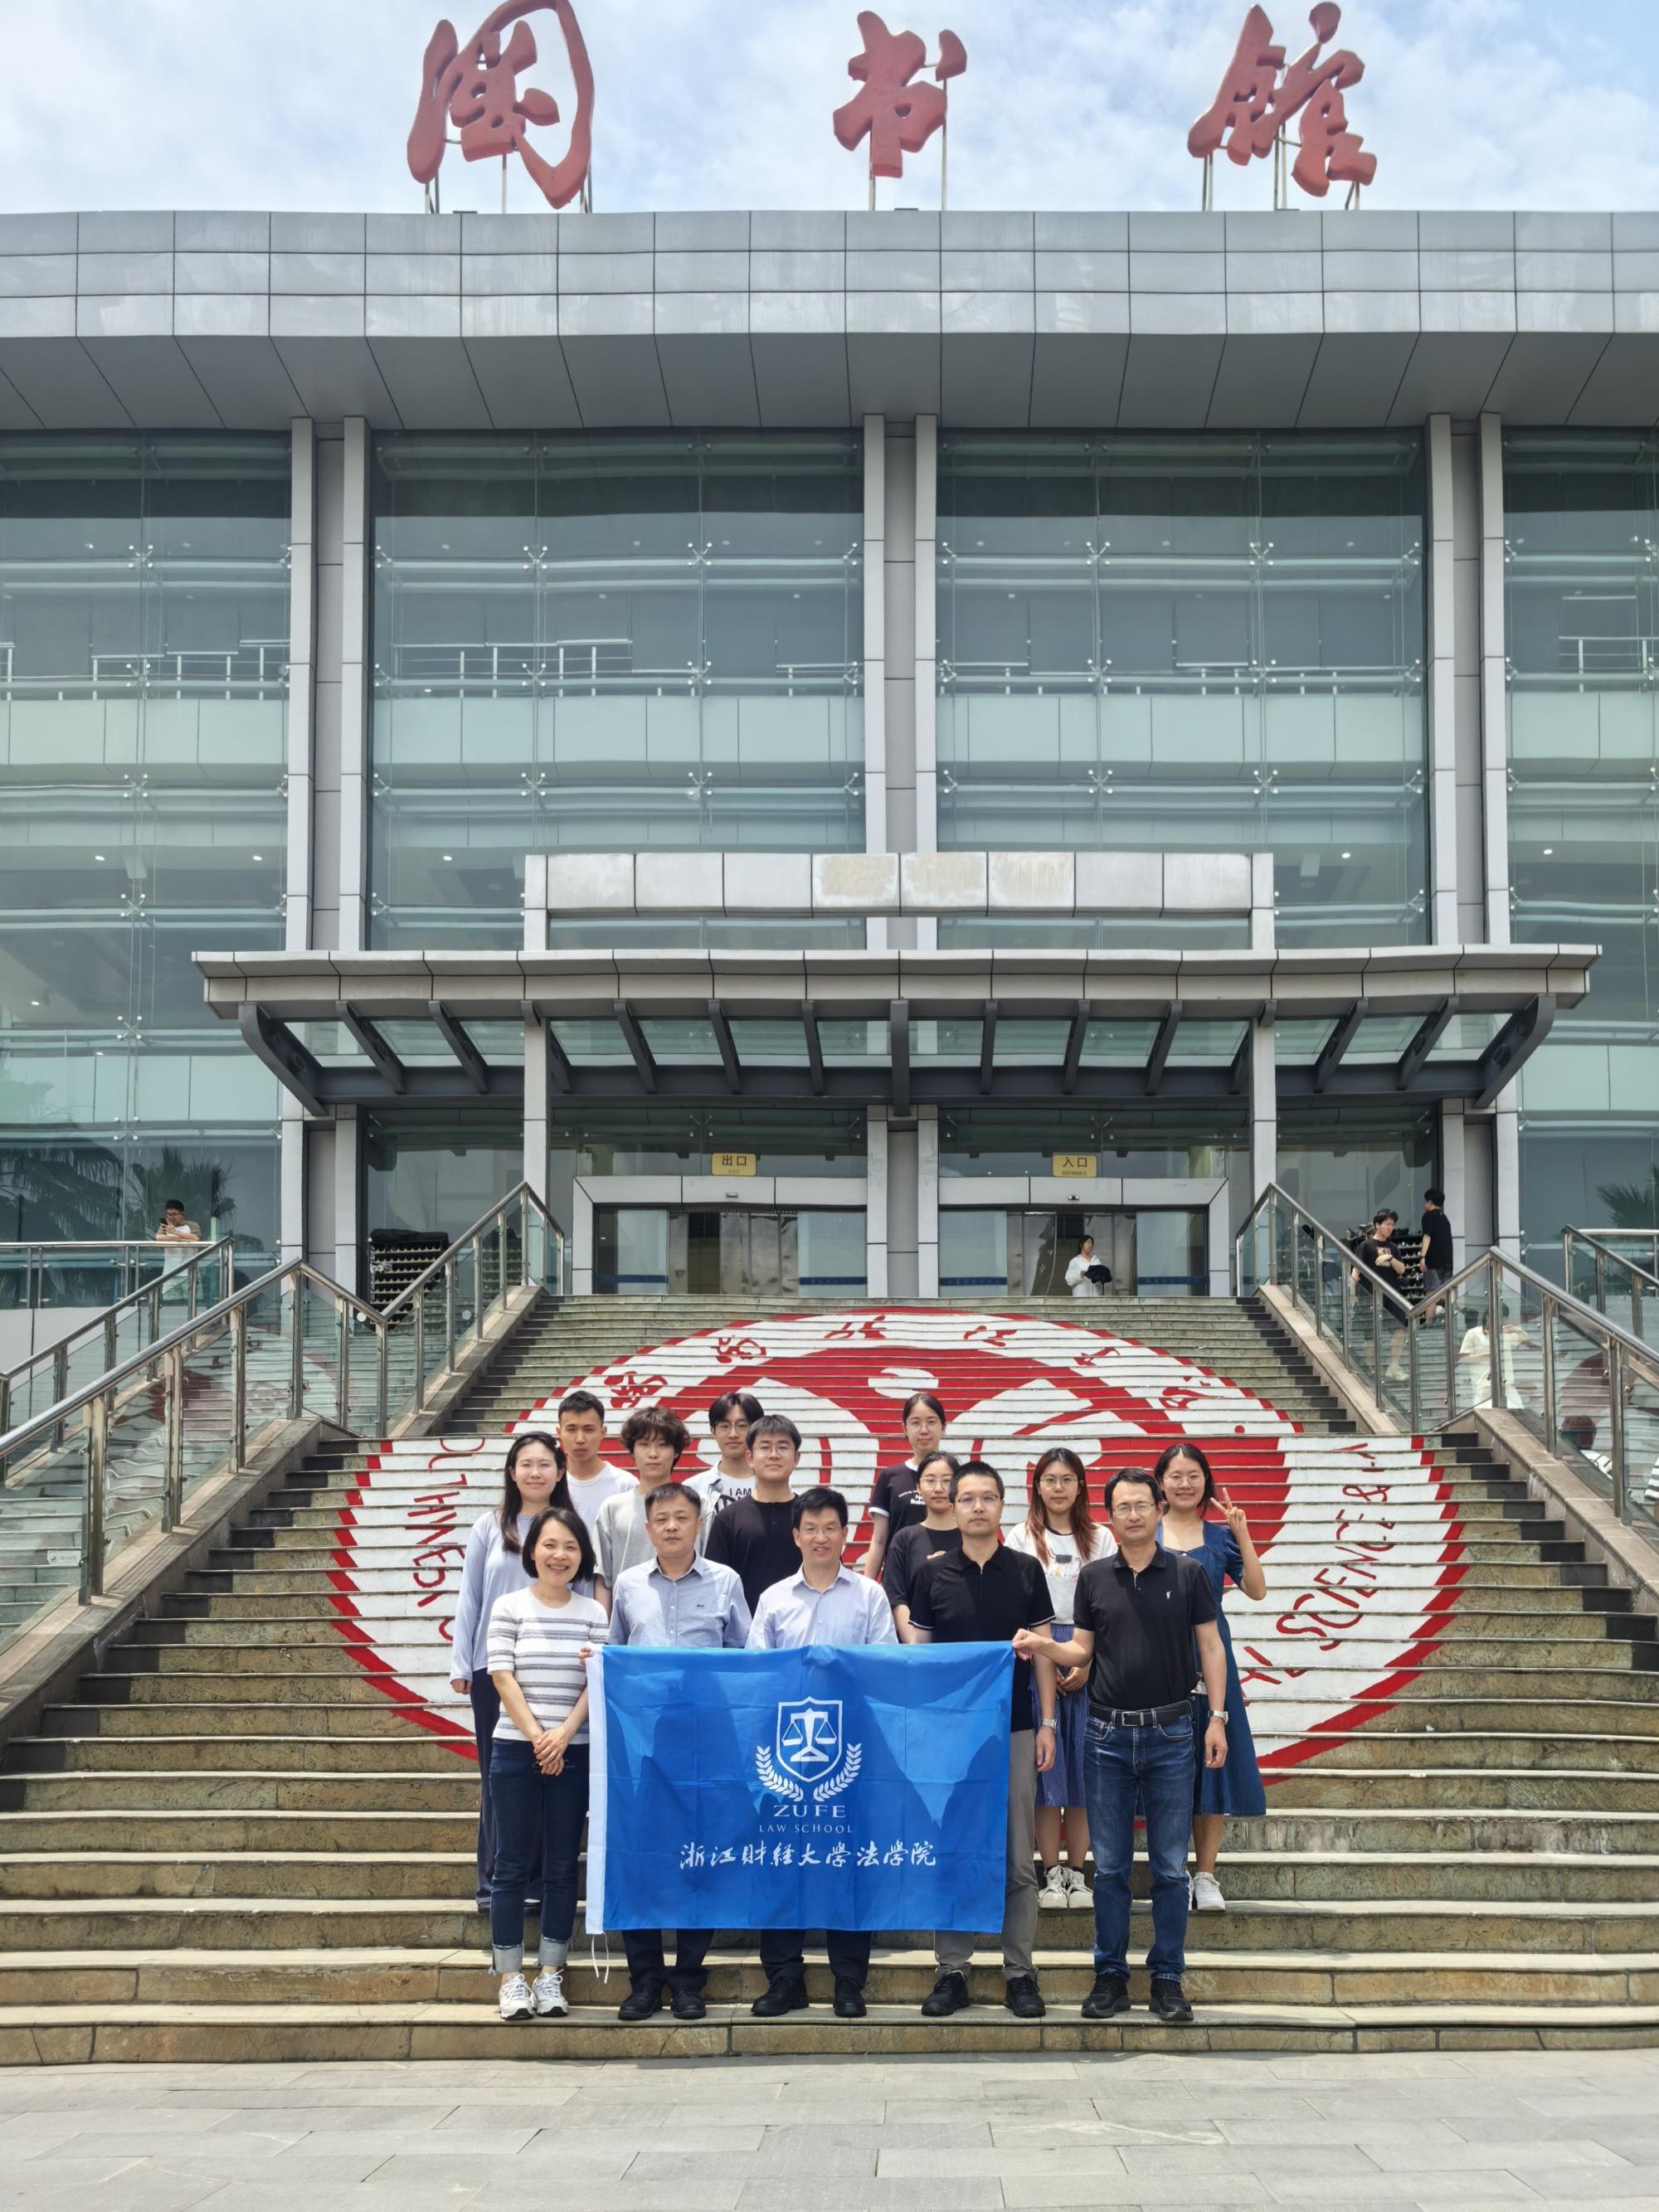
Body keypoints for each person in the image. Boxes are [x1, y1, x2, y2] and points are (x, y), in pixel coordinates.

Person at [1016, 1467, 1227, 2027]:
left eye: (1141, 1505)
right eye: (1122, 1507)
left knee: (1169, 1868)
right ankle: (1109, 1975)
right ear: (1109, 1516)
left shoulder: (1187, 1573)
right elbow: (1081, 1651)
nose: (1133, 1515)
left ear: (1159, 1509)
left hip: (1172, 1733)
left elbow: (1211, 1647)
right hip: (1106, 1736)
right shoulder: (1094, 1577)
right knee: (1109, 1868)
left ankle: (1167, 1979)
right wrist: (1042, 1644)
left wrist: (1218, 1718)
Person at [907, 1459, 1058, 2021]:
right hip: (950, 1737)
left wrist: (1048, 1723)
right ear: (951, 1504)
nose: (976, 1507)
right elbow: (921, 1660)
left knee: (1018, 1857)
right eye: (966, 1498)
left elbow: (1043, 1652)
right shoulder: (931, 1575)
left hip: (1014, 1729)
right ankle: (952, 1970)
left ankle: (1020, 1972)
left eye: (987, 1497)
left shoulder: (1026, 1570)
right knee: (954, 1849)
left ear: (1001, 1505)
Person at [745, 1486, 898, 2020]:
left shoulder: (869, 1595)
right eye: (810, 1528)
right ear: (796, 1536)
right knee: (781, 1863)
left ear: (846, 1534)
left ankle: (849, 1980)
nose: (820, 1537)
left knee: (846, 1861)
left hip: (850, 1749)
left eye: (830, 1527)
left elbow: (884, 1667)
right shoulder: (773, 1598)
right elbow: (755, 1673)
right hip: (784, 1753)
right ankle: (784, 1978)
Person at [607, 1484, 752, 2020]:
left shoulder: (725, 1581)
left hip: (708, 1740)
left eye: (681, 1517)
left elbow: (746, 1656)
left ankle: (689, 1977)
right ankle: (644, 1980)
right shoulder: (628, 1584)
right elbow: (615, 1654)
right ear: (648, 1528)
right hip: (643, 1740)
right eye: (661, 1518)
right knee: (641, 1856)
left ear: (699, 1523)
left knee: (701, 1856)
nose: (671, 1526)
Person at [484, 1504, 609, 2023]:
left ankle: (551, 1974)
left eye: (571, 1547)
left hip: (574, 1751)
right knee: (511, 1865)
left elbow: (596, 1683)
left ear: (583, 1556)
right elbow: (501, 1675)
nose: (560, 1555)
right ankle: (510, 1979)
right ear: (533, 1551)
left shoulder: (594, 1613)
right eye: (550, 1545)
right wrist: (540, 1739)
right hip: (516, 1749)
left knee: (561, 1867)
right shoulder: (509, 1607)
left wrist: (564, 1735)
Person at [450, 1431, 569, 1910]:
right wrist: (462, 1662)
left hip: (554, 1667)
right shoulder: (489, 1525)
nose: (535, 1472)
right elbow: (470, 1595)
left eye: (544, 1464)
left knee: (547, 1773)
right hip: (493, 1667)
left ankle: (536, 1884)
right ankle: (494, 1883)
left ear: (559, 1472)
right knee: (498, 1777)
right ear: (512, 1472)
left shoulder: (568, 1525)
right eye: (526, 1464)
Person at [1153, 1441, 1267, 1913]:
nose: (1185, 1484)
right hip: (1157, 1658)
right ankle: (1173, 1871)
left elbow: (1257, 1590)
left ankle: (1205, 1875)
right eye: (1175, 1476)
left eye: (1193, 1475)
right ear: (1161, 1482)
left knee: (1211, 1766)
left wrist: (1243, 1534)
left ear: (1206, 1481)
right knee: (1165, 1768)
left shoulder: (1220, 1538)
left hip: (1212, 1658)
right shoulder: (1145, 1530)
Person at [1005, 1446, 1104, 1912]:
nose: (1059, 1488)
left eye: (1067, 1479)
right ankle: (1050, 1872)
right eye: (1050, 1479)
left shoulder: (1101, 1538)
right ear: (1037, 1487)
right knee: (1047, 1774)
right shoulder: (1021, 1536)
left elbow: (1109, 1605)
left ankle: (1078, 1872)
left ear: (1080, 1486)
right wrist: (1043, 1650)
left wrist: (1088, 1661)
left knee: (1082, 1773)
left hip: (1087, 1649)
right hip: (1035, 1650)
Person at [593, 1403, 705, 1598]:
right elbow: (604, 1580)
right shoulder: (613, 1508)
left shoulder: (699, 1505)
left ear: (676, 1451)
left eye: (662, 1445)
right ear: (632, 1450)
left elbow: (710, 1569)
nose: (653, 1454)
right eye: (644, 1444)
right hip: (628, 1613)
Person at [704, 1412, 804, 1614]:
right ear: (750, 1457)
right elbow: (714, 1586)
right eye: (765, 1447)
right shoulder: (728, 1519)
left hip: (802, 1626)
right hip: (744, 1629)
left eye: (783, 1447)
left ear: (796, 1458)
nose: (774, 1455)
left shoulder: (811, 1517)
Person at [861, 1390, 946, 1582]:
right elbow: (879, 1540)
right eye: (915, 1423)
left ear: (943, 1427)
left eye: (931, 1422)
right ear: (905, 1428)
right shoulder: (890, 1477)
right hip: (899, 1580)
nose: (924, 1430)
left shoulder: (959, 1476)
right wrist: (867, 1588)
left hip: (947, 1579)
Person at [882, 1448, 962, 1638]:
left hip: (965, 1645)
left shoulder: (973, 1536)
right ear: (918, 1486)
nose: (938, 1488)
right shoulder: (904, 1539)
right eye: (930, 1480)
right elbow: (896, 1598)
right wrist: (915, 1645)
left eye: (947, 1480)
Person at [554, 1389, 635, 1534]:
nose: (580, 1439)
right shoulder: (550, 1483)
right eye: (571, 1430)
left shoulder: (625, 1485)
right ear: (559, 1433)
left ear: (603, 1432)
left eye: (589, 1430)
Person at [687, 1390, 765, 1515]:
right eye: (724, 1426)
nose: (733, 1434)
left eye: (742, 1425)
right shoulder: (694, 1488)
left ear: (757, 1430)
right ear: (713, 1432)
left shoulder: (774, 1486)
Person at [1420, 1187, 1455, 1320]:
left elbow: (1427, 1236)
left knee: (1431, 1295)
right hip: (1447, 1263)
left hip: (1433, 1262)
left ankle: (1428, 1325)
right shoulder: (1445, 1219)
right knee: (1447, 1295)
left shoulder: (1428, 1216)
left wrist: (1423, 1257)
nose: (1424, 1205)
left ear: (1429, 1202)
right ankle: (1449, 1323)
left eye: (1425, 1202)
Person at [1064, 1234, 1110, 1298]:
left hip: (1095, 1298)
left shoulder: (1096, 1261)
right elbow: (1069, 1280)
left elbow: (1100, 1282)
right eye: (1088, 1242)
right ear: (1081, 1245)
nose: (1091, 1245)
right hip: (1081, 1298)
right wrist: (1080, 1275)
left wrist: (1099, 1278)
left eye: (1092, 1243)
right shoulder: (1075, 1261)